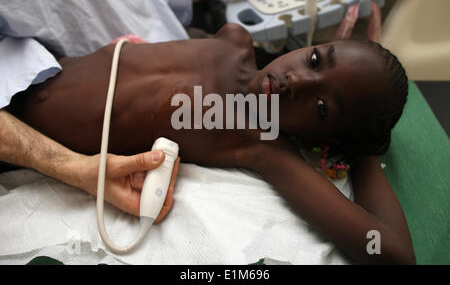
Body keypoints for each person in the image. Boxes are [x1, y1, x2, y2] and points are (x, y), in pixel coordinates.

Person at [8, 22, 415, 264]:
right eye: (314, 61)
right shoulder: (233, 40)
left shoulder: (259, 142)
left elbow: (392, 252)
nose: (298, 82)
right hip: (23, 65)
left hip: (14, 134)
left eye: (323, 107)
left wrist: (362, 148)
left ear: (326, 140)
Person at [0, 0, 277, 218]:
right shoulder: (253, 135)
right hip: (92, 111)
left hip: (178, 53)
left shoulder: (235, 56)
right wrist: (76, 168)